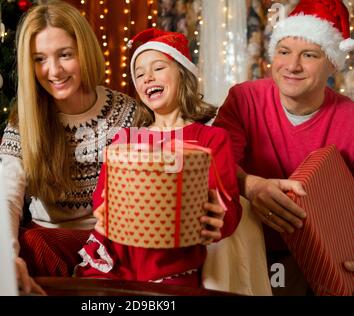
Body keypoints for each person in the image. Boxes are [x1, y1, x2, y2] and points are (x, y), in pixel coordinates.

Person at [74, 28, 242, 287]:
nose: (147, 77)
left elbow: (227, 206)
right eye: (139, 74)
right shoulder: (126, 139)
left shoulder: (211, 138)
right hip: (115, 258)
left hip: (173, 262)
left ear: (183, 74)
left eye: (158, 68)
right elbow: (101, 198)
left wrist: (216, 219)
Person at [213, 0, 354, 295]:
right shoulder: (244, 98)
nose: (292, 66)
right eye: (284, 51)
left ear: (331, 62)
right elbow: (215, 161)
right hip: (245, 248)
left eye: (309, 55)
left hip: (318, 259)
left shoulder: (349, 118)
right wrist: (250, 185)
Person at [0, 1, 137, 294]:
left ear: (84, 51)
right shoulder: (23, 122)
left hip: (110, 244)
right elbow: (9, 196)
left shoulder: (127, 112)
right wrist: (6, 256)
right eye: (39, 59)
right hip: (47, 247)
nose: (53, 71)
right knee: (32, 244)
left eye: (65, 55)